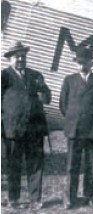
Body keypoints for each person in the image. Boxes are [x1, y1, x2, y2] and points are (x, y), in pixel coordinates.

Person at [2, 41, 51, 210]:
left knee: (36, 165)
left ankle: (35, 199)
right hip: (13, 128)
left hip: (34, 128)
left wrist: (43, 93)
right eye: (17, 57)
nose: (21, 59)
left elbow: (47, 96)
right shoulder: (4, 76)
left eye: (23, 56)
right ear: (10, 59)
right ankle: (13, 198)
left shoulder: (36, 75)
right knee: (13, 164)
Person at [59, 46, 93, 209]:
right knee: (72, 165)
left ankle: (89, 196)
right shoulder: (69, 80)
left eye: (85, 62)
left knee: (91, 164)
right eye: (79, 62)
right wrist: (75, 118)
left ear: (91, 62)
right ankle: (69, 198)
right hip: (75, 129)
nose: (82, 65)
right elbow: (63, 105)